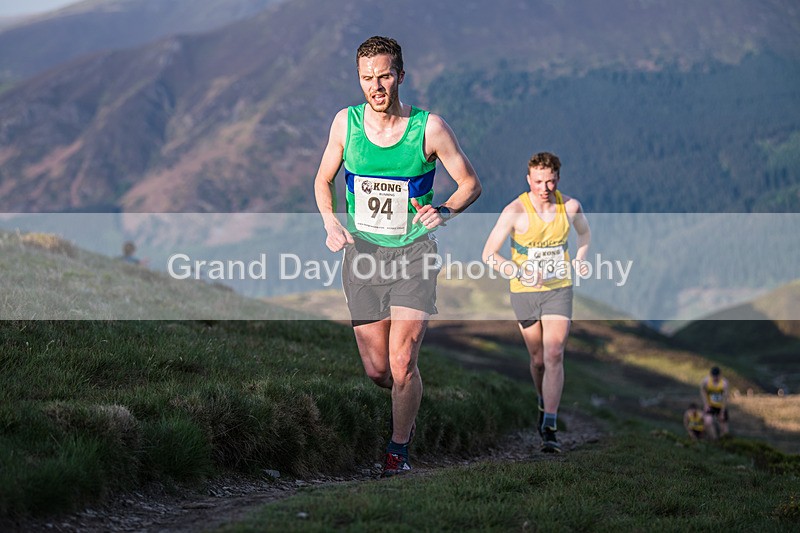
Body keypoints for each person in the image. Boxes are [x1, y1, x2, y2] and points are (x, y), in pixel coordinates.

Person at [313, 36, 481, 476]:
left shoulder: (429, 128)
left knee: (403, 362)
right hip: (363, 258)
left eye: (385, 75)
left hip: (414, 256)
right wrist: (331, 221)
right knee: (379, 371)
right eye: (367, 78)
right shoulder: (344, 124)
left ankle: (397, 452)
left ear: (401, 76)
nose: (376, 86)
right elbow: (323, 180)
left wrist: (443, 211)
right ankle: (407, 396)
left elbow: (470, 184)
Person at [482, 152, 590, 453]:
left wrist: (580, 260)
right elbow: (488, 254)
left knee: (554, 352)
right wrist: (518, 271)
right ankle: (543, 401)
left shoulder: (570, 207)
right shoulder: (515, 210)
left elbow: (585, 235)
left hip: (559, 289)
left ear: (558, 179)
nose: (544, 187)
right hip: (525, 292)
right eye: (539, 181)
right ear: (529, 179)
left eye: (550, 181)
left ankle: (550, 425)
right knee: (538, 359)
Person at [701, 366, 729, 438]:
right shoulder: (706, 381)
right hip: (710, 405)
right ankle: (714, 439)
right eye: (713, 376)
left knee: (724, 428)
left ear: (720, 375)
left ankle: (723, 440)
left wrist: (722, 412)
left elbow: (725, 399)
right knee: (707, 421)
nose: (715, 378)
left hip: (720, 406)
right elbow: (703, 391)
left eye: (717, 377)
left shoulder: (724, 383)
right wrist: (706, 404)